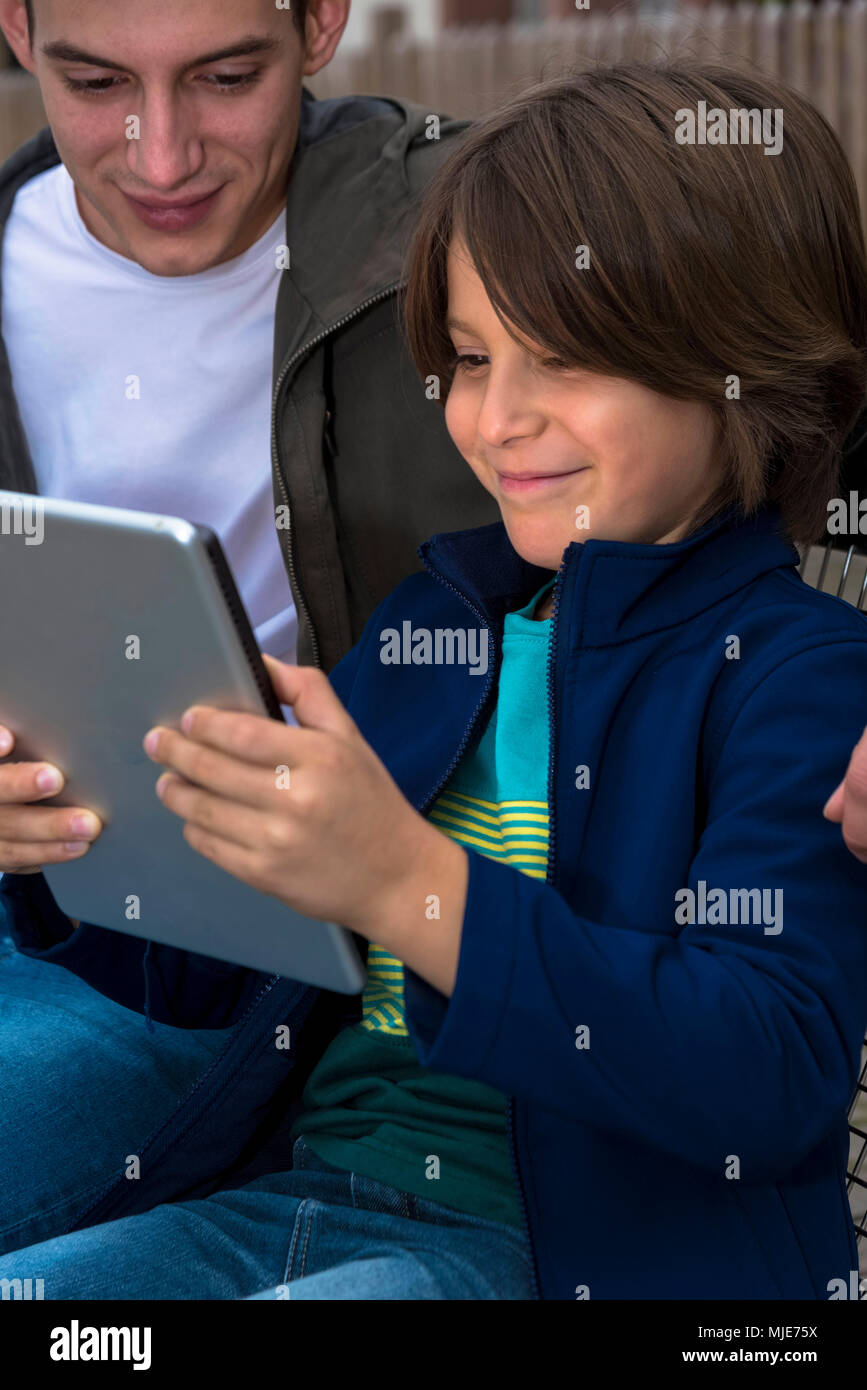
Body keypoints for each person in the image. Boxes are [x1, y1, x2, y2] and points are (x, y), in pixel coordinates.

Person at [2, 60, 867, 1300]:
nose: (495, 419)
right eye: (468, 358)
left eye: (561, 361)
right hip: (294, 1196)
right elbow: (229, 979)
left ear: (736, 359)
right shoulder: (439, 623)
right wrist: (76, 836)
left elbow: (768, 1075)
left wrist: (410, 882)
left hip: (565, 1258)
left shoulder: (800, 676)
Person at [0, 0, 498, 1259]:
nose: (161, 156)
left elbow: (796, 394)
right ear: (15, 28)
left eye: (226, 78)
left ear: (323, 22)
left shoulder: (484, 223)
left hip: (289, 970)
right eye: (97, 80)